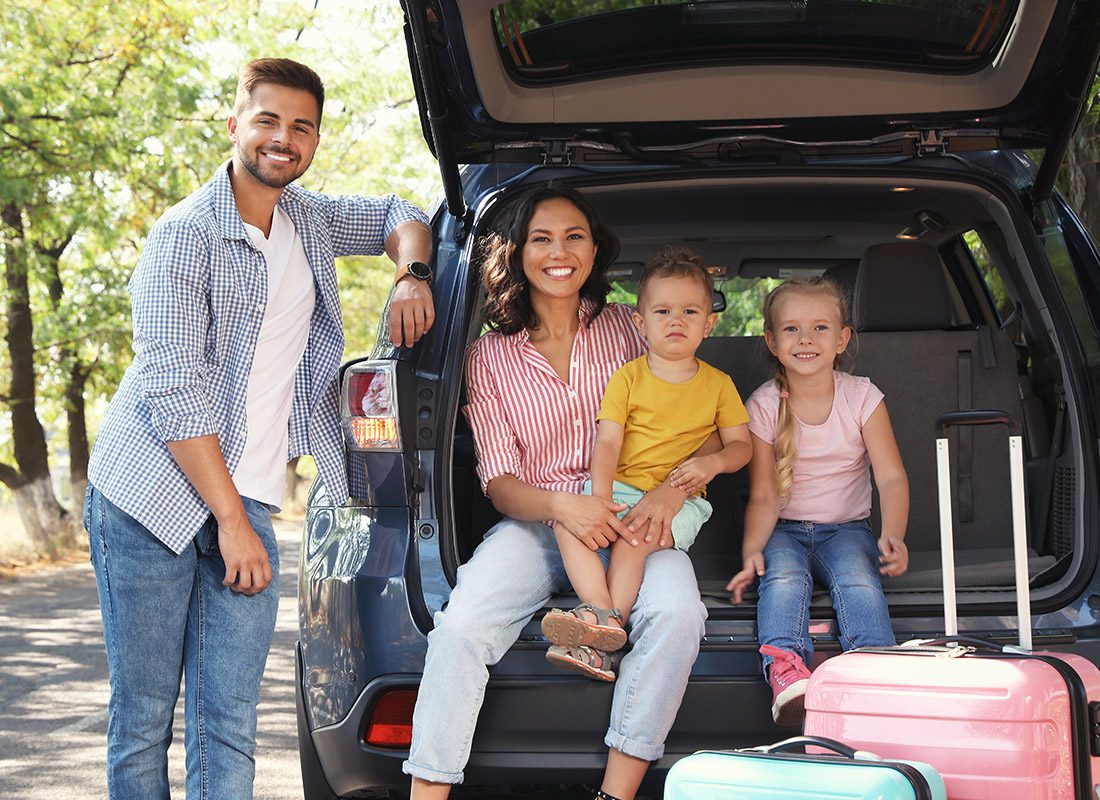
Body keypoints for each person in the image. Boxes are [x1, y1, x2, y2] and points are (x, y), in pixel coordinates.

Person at [83, 58, 433, 799]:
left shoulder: (308, 218)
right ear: (235, 124)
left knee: (229, 719)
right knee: (145, 716)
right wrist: (234, 520)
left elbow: (401, 212)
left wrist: (413, 275)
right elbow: (175, 395)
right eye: (268, 120)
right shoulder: (185, 235)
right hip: (151, 497)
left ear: (313, 141)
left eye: (301, 126)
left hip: (248, 499)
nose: (284, 138)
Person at [404, 186, 707, 800]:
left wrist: (673, 493)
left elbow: (703, 414)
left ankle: (613, 795)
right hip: (539, 525)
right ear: (518, 253)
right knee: (460, 627)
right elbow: (499, 481)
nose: (559, 252)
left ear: (596, 251)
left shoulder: (633, 327)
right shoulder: (490, 358)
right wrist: (565, 505)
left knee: (680, 615)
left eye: (574, 237)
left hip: (635, 520)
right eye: (542, 238)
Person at [541, 247, 752, 680]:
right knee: (567, 525)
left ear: (709, 324)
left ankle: (608, 622)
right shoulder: (628, 377)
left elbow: (741, 447)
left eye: (690, 311)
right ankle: (599, 617)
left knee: (635, 537)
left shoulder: (718, 385)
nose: (676, 320)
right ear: (640, 323)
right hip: (619, 488)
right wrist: (599, 500)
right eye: (663, 311)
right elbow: (608, 442)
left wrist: (710, 466)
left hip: (683, 502)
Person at [727, 277, 909, 726]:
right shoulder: (764, 405)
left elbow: (891, 475)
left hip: (847, 529)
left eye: (820, 328)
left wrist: (893, 535)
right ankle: (786, 674)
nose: (806, 339)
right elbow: (765, 494)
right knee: (783, 579)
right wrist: (752, 549)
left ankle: (874, 669)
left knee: (859, 580)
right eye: (791, 329)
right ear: (771, 341)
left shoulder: (863, 397)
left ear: (843, 338)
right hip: (784, 529)